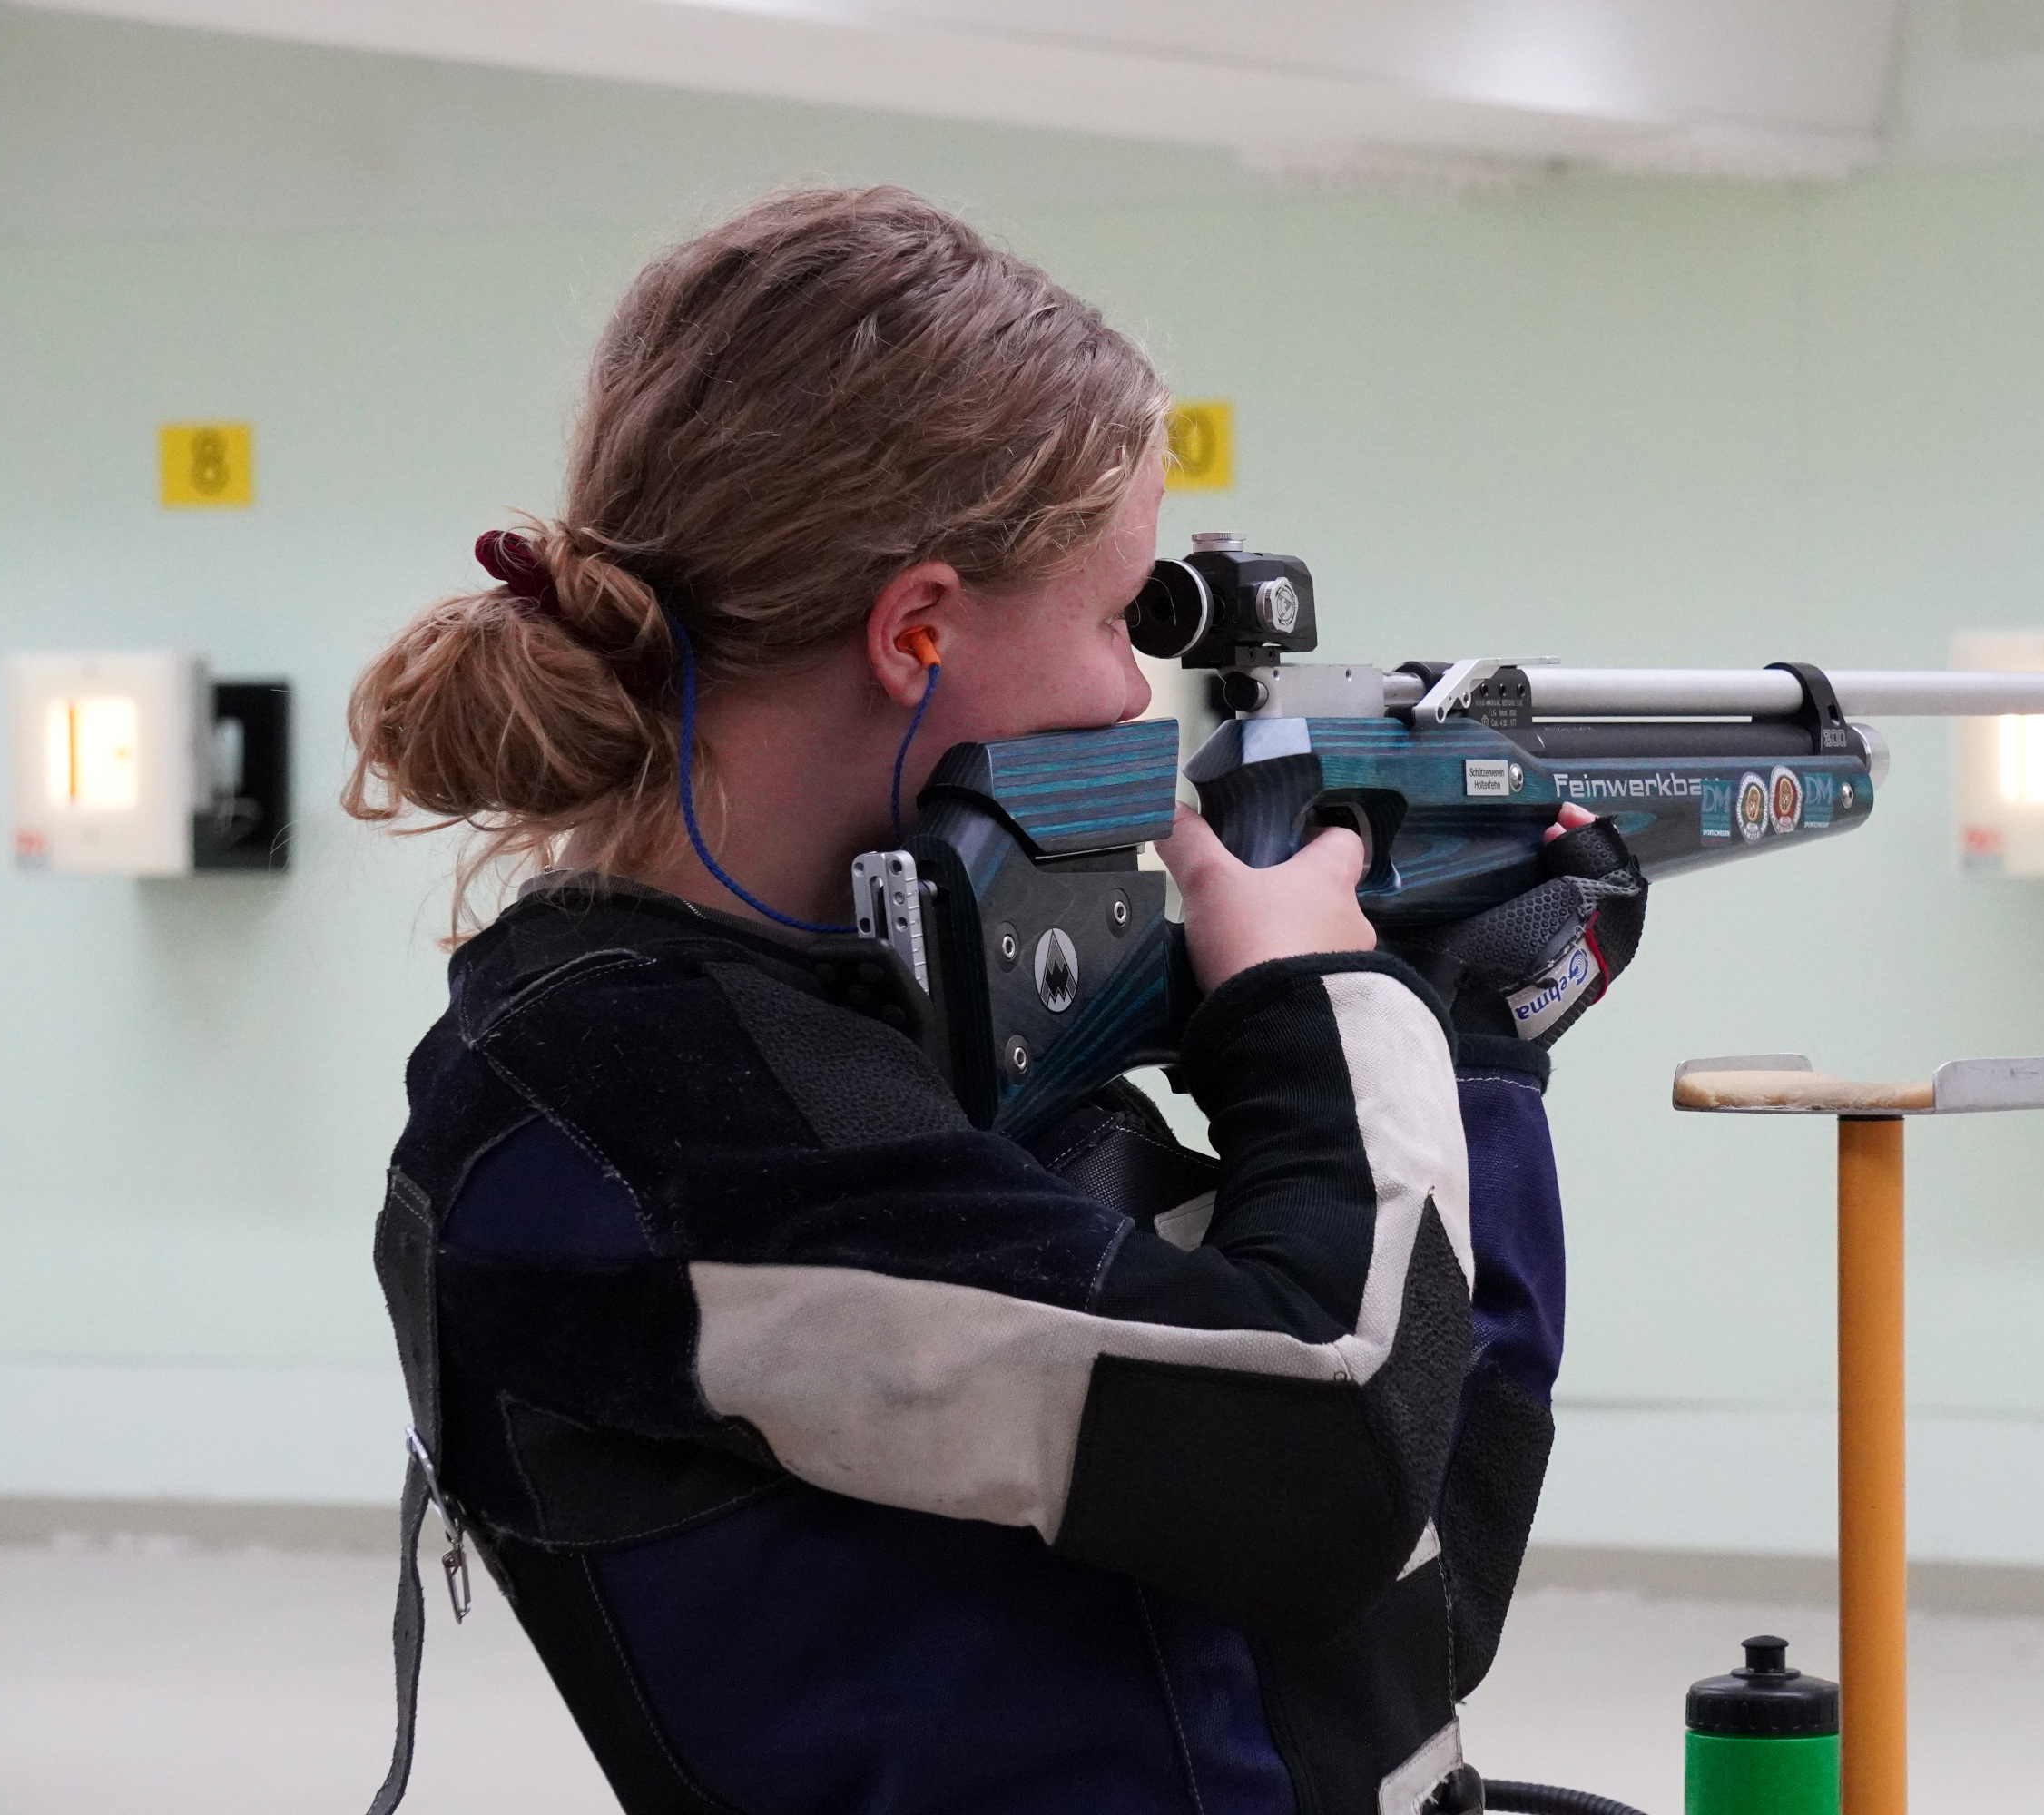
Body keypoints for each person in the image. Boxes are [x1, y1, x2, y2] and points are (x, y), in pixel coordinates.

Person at [343, 187, 1642, 1815]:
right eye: (1112, 616)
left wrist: (1459, 1055)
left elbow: (1405, 1595)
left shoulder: (901, 1041)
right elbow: (1330, 1455)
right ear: (916, 631)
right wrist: (1324, 1012)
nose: (1127, 689)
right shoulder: (625, 1111)